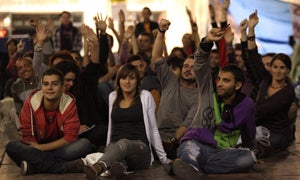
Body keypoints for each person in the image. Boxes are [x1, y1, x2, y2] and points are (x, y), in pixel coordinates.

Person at [172, 28, 257, 179]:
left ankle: (193, 169)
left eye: (226, 81)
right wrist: (207, 42)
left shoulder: (247, 105)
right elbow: (199, 65)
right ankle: (192, 165)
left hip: (223, 152)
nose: (219, 84)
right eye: (219, 79)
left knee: (249, 157)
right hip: (197, 143)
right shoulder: (207, 91)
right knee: (189, 150)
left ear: (237, 86)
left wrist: (251, 151)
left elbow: (249, 134)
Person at [84, 64, 170, 179]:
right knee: (118, 161)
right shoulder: (112, 97)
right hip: (117, 146)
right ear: (118, 80)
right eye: (123, 78)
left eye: (132, 78)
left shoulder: (145, 96)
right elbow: (111, 127)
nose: (127, 82)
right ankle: (120, 169)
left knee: (124, 143)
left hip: (140, 148)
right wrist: (108, 149)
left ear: (137, 81)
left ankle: (98, 168)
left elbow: (153, 129)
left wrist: (164, 159)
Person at [5, 68, 92, 175]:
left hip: (58, 147)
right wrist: (36, 148)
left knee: (84, 144)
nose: (49, 88)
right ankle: (64, 167)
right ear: (42, 87)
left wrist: (40, 149)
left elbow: (70, 137)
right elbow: (27, 136)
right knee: (12, 146)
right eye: (46, 84)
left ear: (62, 87)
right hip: (36, 146)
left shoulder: (69, 103)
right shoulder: (31, 102)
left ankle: (35, 166)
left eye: (54, 84)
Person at [241, 11, 296, 156]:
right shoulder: (265, 80)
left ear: (288, 70)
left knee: (260, 142)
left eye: (282, 68)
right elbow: (252, 56)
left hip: (278, 134)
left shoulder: (288, 91)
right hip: (258, 128)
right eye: (275, 67)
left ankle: (254, 150)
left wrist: (241, 113)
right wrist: (251, 29)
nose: (278, 71)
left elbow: (263, 110)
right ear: (270, 68)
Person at [151, 19, 198, 159]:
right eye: (186, 66)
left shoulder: (199, 96)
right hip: (157, 134)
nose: (188, 70)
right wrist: (161, 32)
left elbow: (186, 124)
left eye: (193, 68)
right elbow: (157, 57)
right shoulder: (170, 81)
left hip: (178, 138)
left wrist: (170, 142)